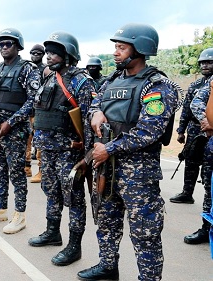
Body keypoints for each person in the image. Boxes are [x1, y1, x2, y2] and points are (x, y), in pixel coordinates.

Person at [77, 23, 181, 281]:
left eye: (121, 48)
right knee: (107, 221)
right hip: (107, 170)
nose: (115, 53)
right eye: (115, 47)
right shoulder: (112, 80)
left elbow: (150, 131)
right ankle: (108, 266)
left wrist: (108, 149)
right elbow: (94, 104)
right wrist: (96, 112)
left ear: (141, 49)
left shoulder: (157, 85)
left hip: (138, 175)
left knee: (145, 233)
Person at [28, 31, 95, 266]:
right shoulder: (48, 78)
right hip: (47, 150)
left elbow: (89, 120)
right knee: (51, 192)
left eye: (55, 53)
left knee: (74, 198)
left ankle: (74, 246)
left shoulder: (82, 81)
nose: (48, 57)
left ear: (69, 55)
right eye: (47, 52)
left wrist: (86, 157)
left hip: (69, 152)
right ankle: (52, 232)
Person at [0, 28, 41, 234]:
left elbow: (34, 101)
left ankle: (20, 215)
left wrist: (11, 122)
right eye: (1, 45)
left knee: (16, 173)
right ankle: (1, 208)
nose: (4, 48)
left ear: (18, 46)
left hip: (14, 131)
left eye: (8, 44)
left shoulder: (27, 69)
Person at [170, 48, 213, 204]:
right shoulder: (196, 85)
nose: (205, 65)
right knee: (191, 161)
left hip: (210, 131)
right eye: (202, 62)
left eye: (209, 62)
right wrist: (181, 130)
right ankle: (187, 193)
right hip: (195, 129)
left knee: (209, 164)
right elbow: (187, 108)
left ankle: (209, 198)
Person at [187, 51, 213, 245]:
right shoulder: (210, 83)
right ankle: (206, 228)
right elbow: (196, 103)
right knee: (210, 188)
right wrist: (207, 121)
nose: (205, 65)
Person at [27, 44, 47, 182]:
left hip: (39, 111)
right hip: (28, 110)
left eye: (38, 53)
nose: (35, 55)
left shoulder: (46, 70)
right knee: (26, 140)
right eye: (32, 53)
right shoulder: (27, 68)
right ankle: (27, 167)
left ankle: (41, 171)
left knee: (39, 142)